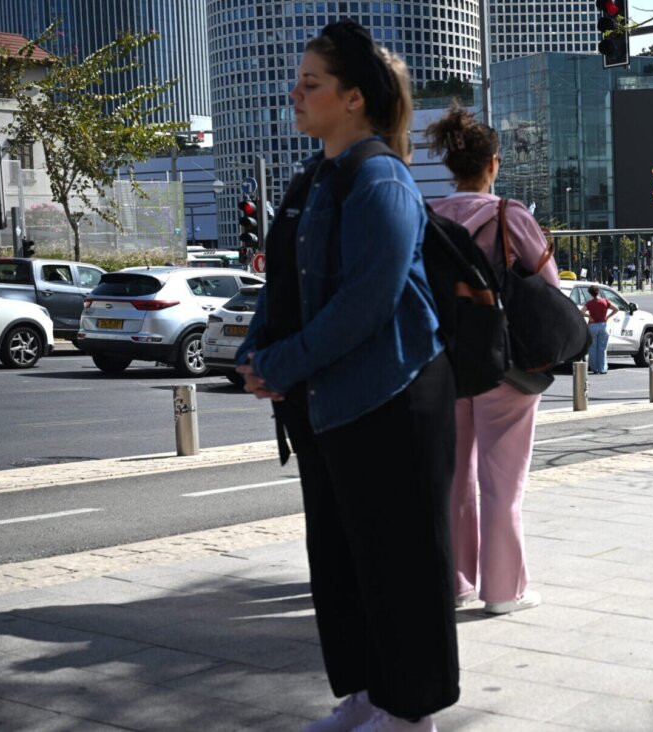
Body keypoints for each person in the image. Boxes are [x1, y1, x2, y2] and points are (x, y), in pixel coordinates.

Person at [235, 21, 457, 732]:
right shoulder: (315, 177)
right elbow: (282, 285)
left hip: (393, 397)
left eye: (312, 83)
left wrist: (280, 364)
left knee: (401, 563)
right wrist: (255, 351)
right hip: (329, 402)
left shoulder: (381, 179)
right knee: (341, 561)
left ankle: (411, 712)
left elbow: (367, 302)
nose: (294, 93)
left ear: (354, 98)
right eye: (298, 81)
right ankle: (367, 693)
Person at [427, 103, 558, 617]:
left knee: (454, 478)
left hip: (446, 364)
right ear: (494, 164)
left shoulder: (429, 217)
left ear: (451, 165)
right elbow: (548, 288)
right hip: (504, 365)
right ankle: (503, 590)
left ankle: (455, 581)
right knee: (503, 483)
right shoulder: (510, 215)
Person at [580, 284, 618, 374]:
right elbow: (616, 309)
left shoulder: (589, 303)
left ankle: (594, 368)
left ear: (590, 293)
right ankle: (602, 368)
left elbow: (581, 312)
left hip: (592, 326)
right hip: (603, 326)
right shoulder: (605, 301)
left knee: (592, 348)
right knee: (602, 349)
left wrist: (589, 316)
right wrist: (607, 317)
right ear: (598, 292)